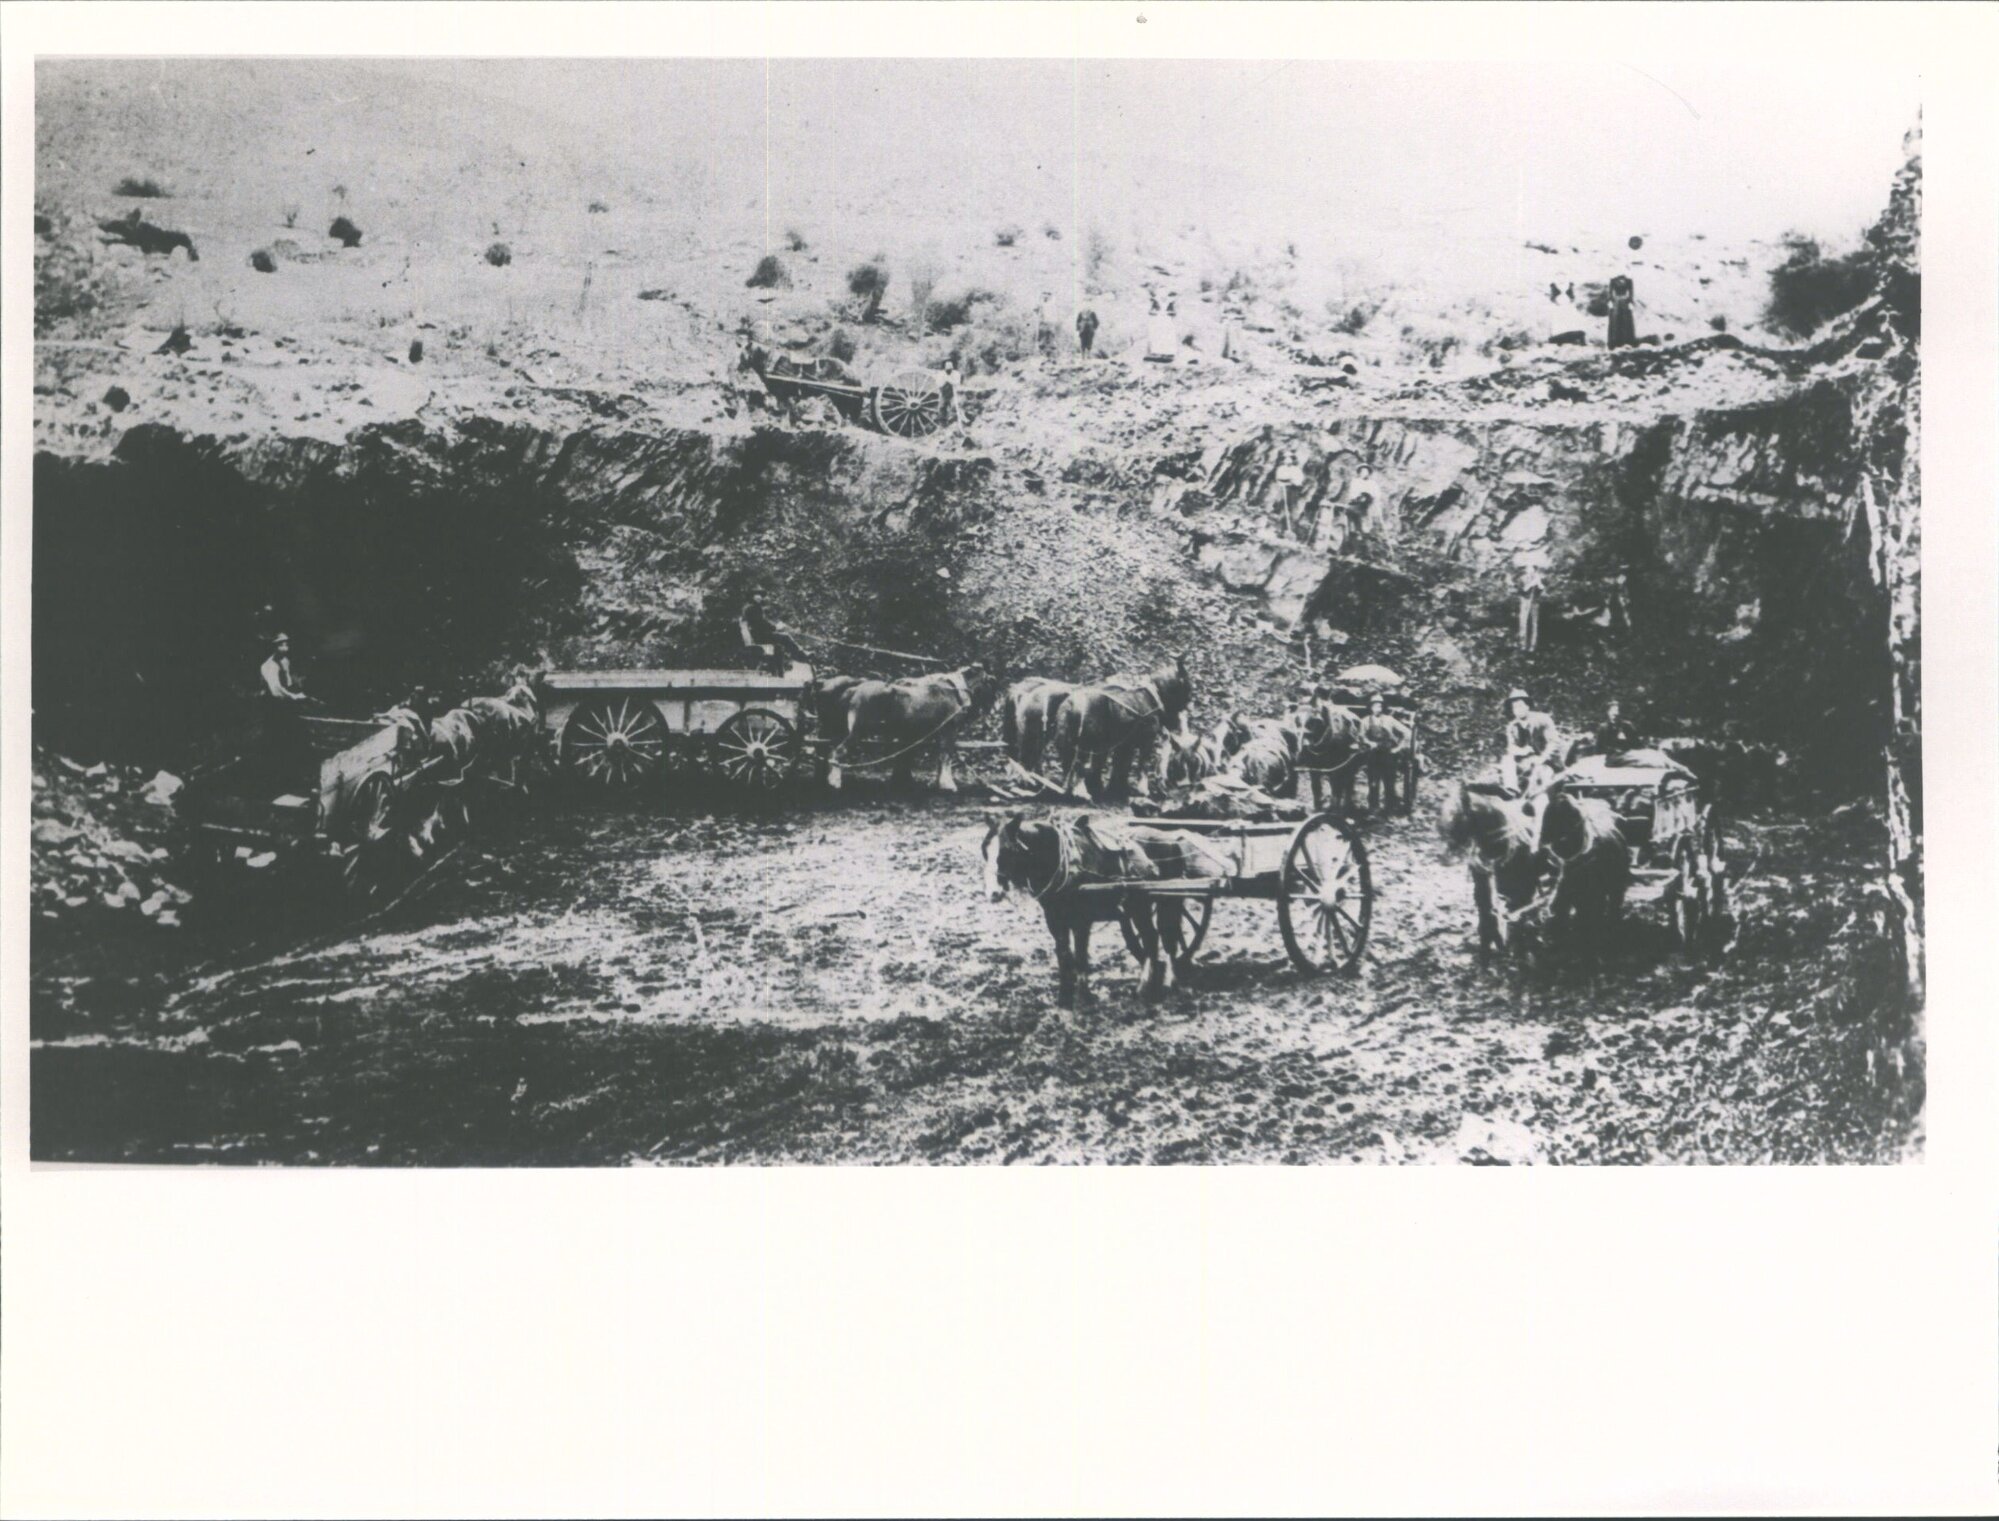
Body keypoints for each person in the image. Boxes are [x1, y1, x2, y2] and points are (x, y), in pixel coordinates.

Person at [1502, 688, 1563, 797]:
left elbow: (1553, 742)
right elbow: (1511, 748)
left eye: (1520, 706)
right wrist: (1523, 751)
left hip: (1547, 762)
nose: (1518, 710)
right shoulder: (1512, 726)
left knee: (1542, 776)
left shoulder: (1542, 720)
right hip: (1526, 761)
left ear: (1527, 706)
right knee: (1506, 760)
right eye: (1514, 707)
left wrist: (1542, 758)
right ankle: (1511, 790)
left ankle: (1539, 801)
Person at [1358, 693, 1413, 813]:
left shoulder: (1389, 720)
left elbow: (1407, 733)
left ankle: (1390, 809)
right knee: (1373, 783)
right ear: (1371, 707)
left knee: (1389, 783)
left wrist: (1398, 748)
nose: (1378, 708)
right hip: (1373, 756)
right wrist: (1369, 742)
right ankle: (1373, 809)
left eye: (1380, 706)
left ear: (1383, 707)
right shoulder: (1365, 721)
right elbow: (1361, 736)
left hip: (1388, 755)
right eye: (1375, 706)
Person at [739, 601, 808, 674]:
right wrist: (777, 627)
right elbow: (767, 626)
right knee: (785, 637)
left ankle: (780, 672)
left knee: (779, 645)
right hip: (761, 638)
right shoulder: (757, 618)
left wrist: (776, 628)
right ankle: (801, 656)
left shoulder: (750, 621)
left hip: (760, 638)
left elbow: (765, 625)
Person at [1515, 558, 1546, 653]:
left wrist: (1539, 583)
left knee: (1534, 623)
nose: (1531, 570)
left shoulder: (1537, 578)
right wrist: (1531, 584)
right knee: (1523, 622)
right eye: (1529, 568)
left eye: (1532, 568)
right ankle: (1522, 644)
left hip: (1534, 602)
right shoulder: (1521, 578)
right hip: (1525, 602)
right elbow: (1521, 590)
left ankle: (1532, 645)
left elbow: (1541, 590)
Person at [1607, 274, 1637, 349]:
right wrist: (1610, 301)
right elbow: (1610, 293)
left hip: (1625, 302)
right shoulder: (1613, 280)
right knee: (1615, 320)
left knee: (1626, 320)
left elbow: (1631, 293)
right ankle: (1614, 342)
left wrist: (1630, 301)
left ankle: (1627, 341)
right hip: (1616, 302)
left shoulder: (1629, 281)